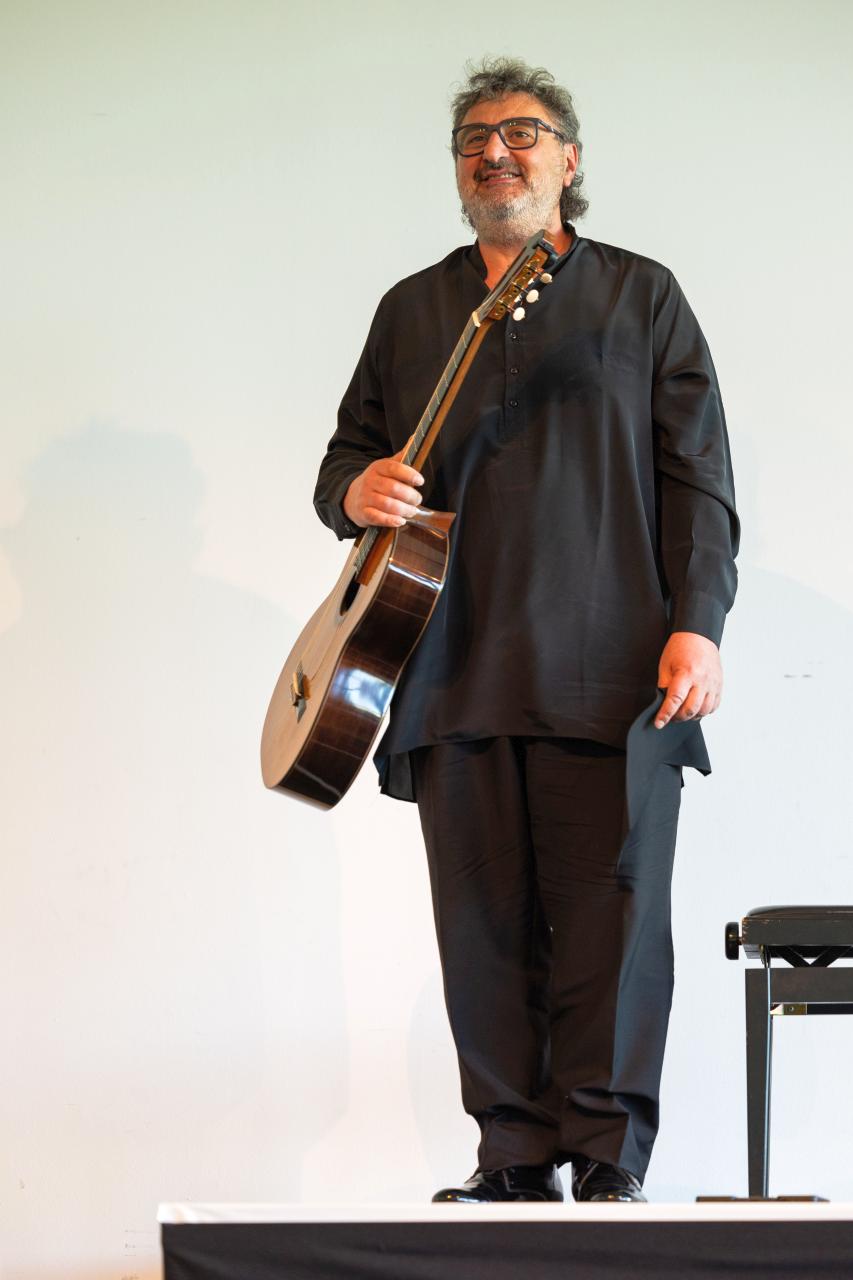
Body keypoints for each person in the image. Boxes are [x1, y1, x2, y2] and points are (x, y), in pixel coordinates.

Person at [313, 57, 738, 1204]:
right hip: (448, 665)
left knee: (613, 922)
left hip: (615, 669)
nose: (495, 152)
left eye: (521, 132)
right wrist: (353, 490)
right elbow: (346, 458)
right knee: (482, 926)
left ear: (569, 158)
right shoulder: (412, 308)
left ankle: (605, 1155)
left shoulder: (641, 295)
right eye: (474, 139)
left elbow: (698, 479)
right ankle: (510, 1152)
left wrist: (696, 624)